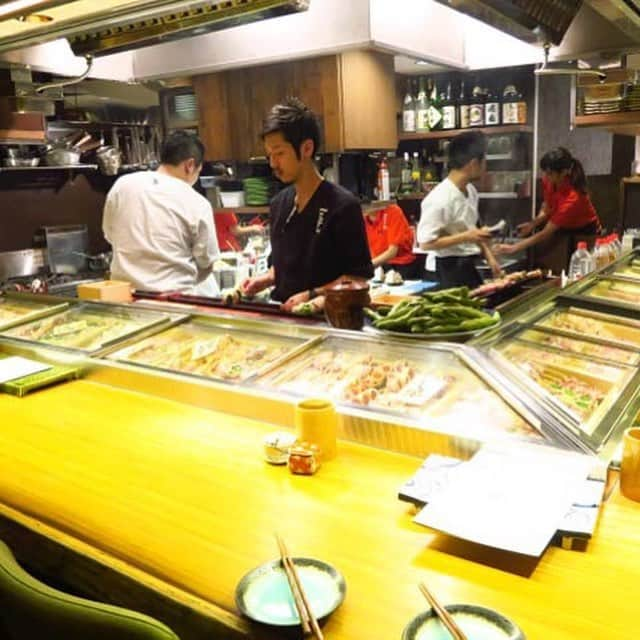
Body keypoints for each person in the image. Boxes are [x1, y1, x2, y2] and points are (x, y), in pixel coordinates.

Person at [241, 97, 373, 310]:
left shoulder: (343, 206)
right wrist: (265, 279)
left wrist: (313, 296)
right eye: (269, 156)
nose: (273, 164)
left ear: (306, 148)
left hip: (330, 322)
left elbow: (357, 278)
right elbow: (284, 267)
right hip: (284, 319)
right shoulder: (279, 204)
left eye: (280, 153)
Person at [103, 130, 219, 296]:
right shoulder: (197, 202)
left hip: (125, 297)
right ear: (190, 165)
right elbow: (206, 261)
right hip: (175, 302)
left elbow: (109, 234)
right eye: (198, 172)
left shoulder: (122, 185)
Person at [417, 130, 502, 289]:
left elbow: (473, 230)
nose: (486, 167)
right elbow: (426, 243)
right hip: (444, 269)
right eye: (484, 161)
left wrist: (490, 258)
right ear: (473, 164)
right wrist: (467, 236)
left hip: (466, 264)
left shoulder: (471, 191)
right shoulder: (439, 198)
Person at [495, 147, 600, 257]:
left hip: (585, 234)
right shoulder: (549, 180)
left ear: (564, 172)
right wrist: (532, 224)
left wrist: (513, 248)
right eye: (544, 172)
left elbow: (545, 233)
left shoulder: (573, 198)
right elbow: (547, 208)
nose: (545, 176)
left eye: (549, 173)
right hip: (563, 228)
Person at [363, 203, 419, 279]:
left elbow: (392, 252)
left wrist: (365, 267)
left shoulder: (392, 211)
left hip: (401, 266)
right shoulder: (363, 218)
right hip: (377, 266)